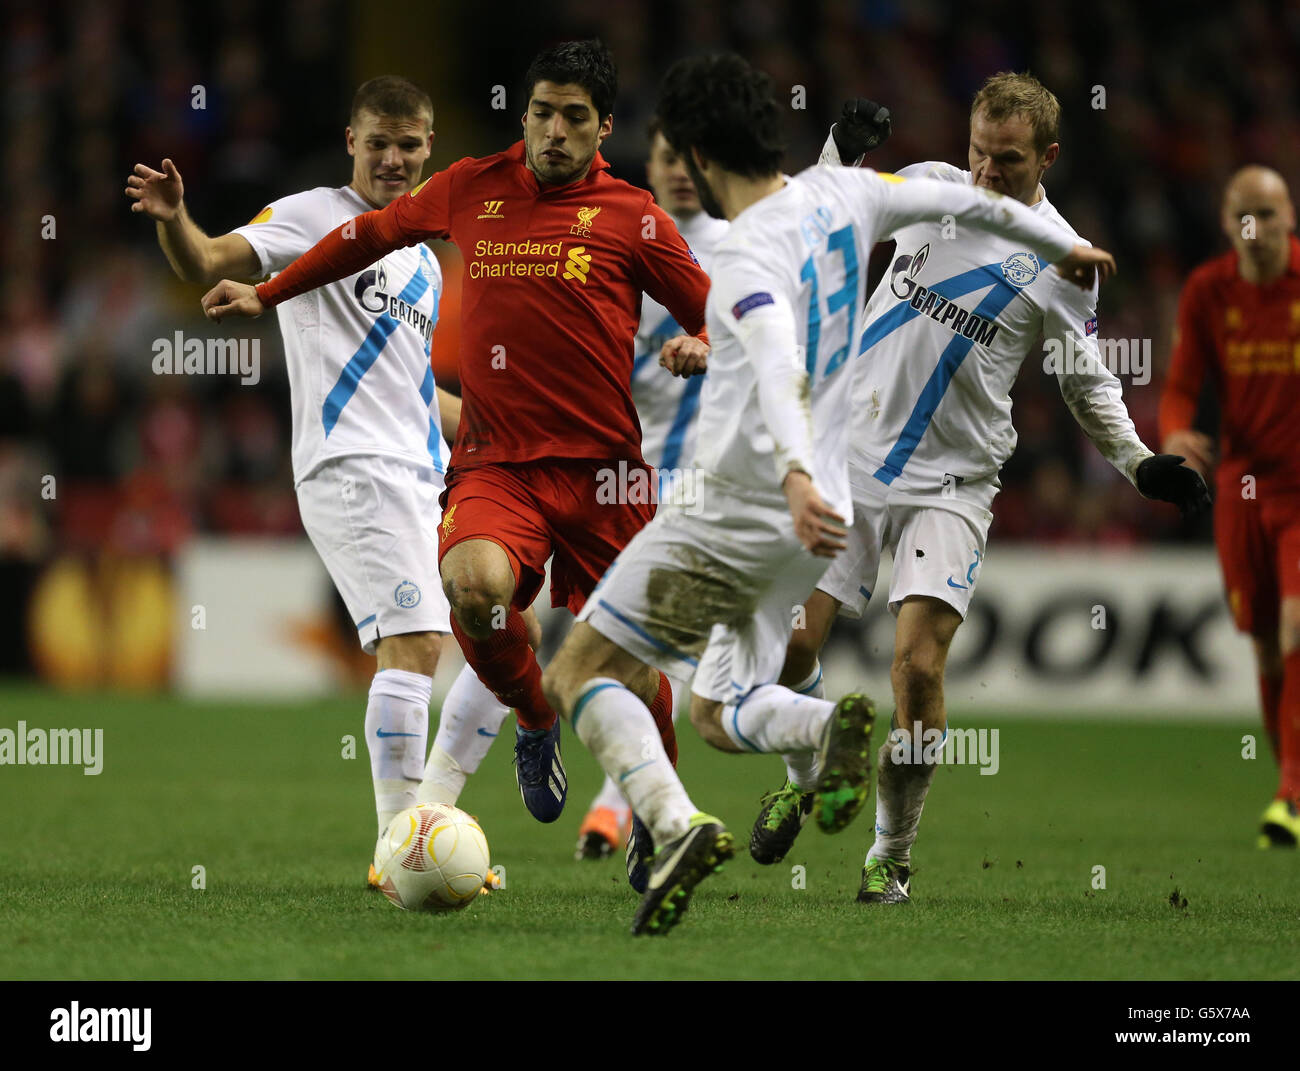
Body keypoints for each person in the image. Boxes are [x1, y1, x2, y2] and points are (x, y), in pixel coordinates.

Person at [540, 52, 1117, 936]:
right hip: (823, 507)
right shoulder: (855, 195)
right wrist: (1063, 243)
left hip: (739, 505)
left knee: (597, 675)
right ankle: (760, 772)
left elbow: (775, 360)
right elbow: (962, 202)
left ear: (694, 154)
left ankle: (731, 788)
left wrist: (795, 464)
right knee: (716, 700)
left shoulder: (745, 248)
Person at [199, 40, 712, 826]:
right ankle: (534, 720)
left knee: (629, 669)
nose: (553, 131)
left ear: (603, 127)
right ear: (526, 112)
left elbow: (723, 310)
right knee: (472, 593)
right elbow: (362, 238)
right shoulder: (474, 186)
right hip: (496, 463)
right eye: (541, 112)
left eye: (574, 118)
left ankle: (656, 818)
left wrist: (702, 343)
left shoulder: (634, 218)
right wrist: (269, 294)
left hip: (604, 473)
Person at [744, 73, 1210, 905]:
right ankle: (808, 769)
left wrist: (1140, 461)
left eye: (1009, 160)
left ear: (1048, 156)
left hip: (953, 485)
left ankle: (891, 853)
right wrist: (839, 152)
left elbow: (1084, 379)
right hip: (851, 455)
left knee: (917, 672)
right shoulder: (929, 186)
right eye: (979, 154)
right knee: (790, 647)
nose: (988, 174)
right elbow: (823, 219)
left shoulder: (1063, 258)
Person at [126, 76, 516, 888]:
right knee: (412, 643)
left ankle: (429, 817)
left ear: (428, 148)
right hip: (351, 468)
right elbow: (208, 259)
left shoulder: (422, 260)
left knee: (501, 639)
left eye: (410, 146)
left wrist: (496, 423)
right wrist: (176, 224)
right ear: (351, 142)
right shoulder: (311, 216)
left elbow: (416, 392)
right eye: (379, 143)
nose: (395, 159)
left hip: (425, 473)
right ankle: (402, 850)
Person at [574, 116, 730, 862]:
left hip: (700, 481)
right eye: (665, 158)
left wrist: (711, 344)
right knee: (613, 641)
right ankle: (639, 805)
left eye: (691, 160)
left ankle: (625, 809)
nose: (677, 173)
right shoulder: (620, 236)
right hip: (614, 471)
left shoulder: (738, 247)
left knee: (649, 647)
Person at [1160, 165, 1300, 848]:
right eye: (1245, 215)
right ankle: (1293, 786)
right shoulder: (1208, 291)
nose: (1258, 229)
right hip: (1243, 491)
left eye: (1270, 215)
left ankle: (1290, 794)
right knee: (1270, 652)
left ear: (1289, 219)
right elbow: (1182, 383)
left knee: (1297, 629)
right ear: (1226, 222)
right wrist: (1175, 434)